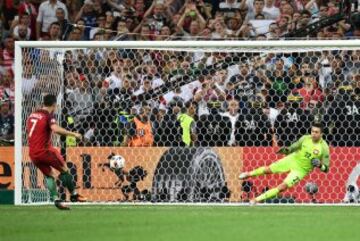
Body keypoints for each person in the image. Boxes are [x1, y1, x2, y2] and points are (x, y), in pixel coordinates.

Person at [239, 122, 330, 204]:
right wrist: (286, 150)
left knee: (282, 187)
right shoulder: (305, 138)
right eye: (312, 131)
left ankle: (256, 200)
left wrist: (320, 165)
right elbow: (294, 147)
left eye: (316, 132)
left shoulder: (324, 147)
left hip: (301, 170)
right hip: (292, 159)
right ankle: (248, 174)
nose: (313, 134)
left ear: (321, 134)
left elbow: (326, 168)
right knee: (268, 170)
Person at [26, 94, 85, 210]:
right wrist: (74, 134)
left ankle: (56, 200)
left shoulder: (32, 115)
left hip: (33, 153)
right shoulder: (48, 115)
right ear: (54, 105)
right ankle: (74, 195)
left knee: (49, 175)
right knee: (64, 169)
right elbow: (55, 129)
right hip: (45, 151)